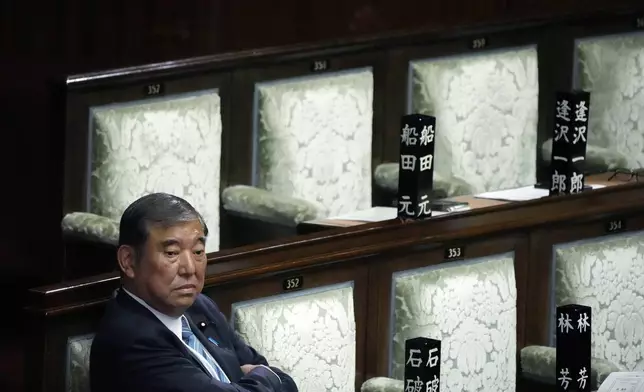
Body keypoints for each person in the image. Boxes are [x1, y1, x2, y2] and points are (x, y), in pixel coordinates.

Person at [90, 193, 298, 392]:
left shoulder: (201, 306)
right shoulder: (131, 341)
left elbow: (282, 380)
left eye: (198, 252)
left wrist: (257, 378)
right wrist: (264, 377)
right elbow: (271, 376)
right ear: (128, 261)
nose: (190, 268)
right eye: (172, 253)